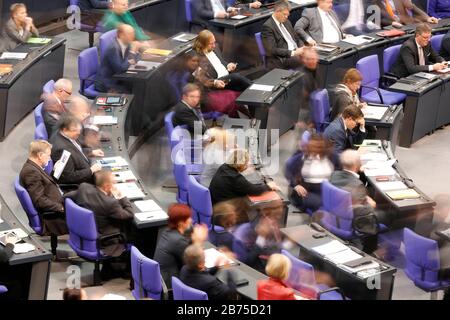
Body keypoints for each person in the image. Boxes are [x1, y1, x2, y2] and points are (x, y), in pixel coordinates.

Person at [330, 150, 390, 253]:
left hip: (334, 216)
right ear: (357, 164)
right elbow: (367, 210)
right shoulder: (357, 185)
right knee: (387, 215)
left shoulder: (333, 175)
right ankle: (370, 250)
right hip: (354, 219)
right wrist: (370, 201)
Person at [64, 170, 134, 257]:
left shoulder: (84, 188)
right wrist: (122, 196)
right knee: (135, 231)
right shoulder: (110, 203)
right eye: (113, 183)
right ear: (107, 186)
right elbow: (130, 214)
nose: (115, 184)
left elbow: (66, 196)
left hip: (80, 236)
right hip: (105, 241)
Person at [153, 204, 208, 288]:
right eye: (188, 218)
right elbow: (195, 265)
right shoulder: (178, 241)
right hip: (170, 285)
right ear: (181, 224)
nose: (191, 220)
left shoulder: (167, 231)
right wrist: (198, 241)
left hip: (160, 278)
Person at [19, 140, 67, 235]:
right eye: (48, 155)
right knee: (92, 216)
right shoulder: (31, 172)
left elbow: (45, 185)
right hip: (52, 218)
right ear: (40, 155)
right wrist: (61, 208)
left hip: (57, 204)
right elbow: (39, 201)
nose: (50, 159)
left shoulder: (33, 167)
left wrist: (54, 172)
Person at [287, 134, 338, 213]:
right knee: (323, 205)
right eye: (312, 146)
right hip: (307, 191)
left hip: (326, 189)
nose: (315, 148)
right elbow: (288, 171)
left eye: (318, 146)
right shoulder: (301, 156)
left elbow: (340, 169)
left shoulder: (332, 156)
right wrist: (295, 185)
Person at [209, 149, 280, 205]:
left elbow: (243, 186)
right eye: (246, 162)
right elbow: (254, 191)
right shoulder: (236, 178)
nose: (248, 164)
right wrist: (269, 186)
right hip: (225, 212)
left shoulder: (224, 167)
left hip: (216, 204)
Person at [50, 115, 102, 186]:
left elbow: (76, 151)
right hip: (84, 184)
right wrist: (91, 170)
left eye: (79, 130)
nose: (78, 133)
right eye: (74, 130)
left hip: (86, 169)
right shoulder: (61, 150)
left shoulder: (68, 135)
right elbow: (69, 177)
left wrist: (91, 152)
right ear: (65, 129)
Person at [95, 24, 143, 93]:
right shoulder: (113, 48)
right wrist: (132, 52)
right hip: (107, 83)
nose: (133, 36)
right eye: (130, 34)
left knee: (139, 86)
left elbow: (137, 57)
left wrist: (135, 53)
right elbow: (120, 69)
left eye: (133, 33)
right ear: (121, 35)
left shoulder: (126, 42)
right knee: (133, 91)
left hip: (118, 78)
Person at [261, 0, 304, 70]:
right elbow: (272, 50)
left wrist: (302, 47)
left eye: (288, 15)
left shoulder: (286, 21)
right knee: (308, 60)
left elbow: (297, 38)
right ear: (277, 12)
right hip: (283, 58)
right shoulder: (268, 27)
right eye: (284, 14)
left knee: (314, 54)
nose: (286, 17)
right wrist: (293, 53)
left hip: (295, 52)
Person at [375, 0, 439, 27]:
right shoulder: (375, 2)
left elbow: (412, 7)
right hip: (389, 27)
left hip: (406, 25)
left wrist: (427, 18)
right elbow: (379, 18)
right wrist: (391, 22)